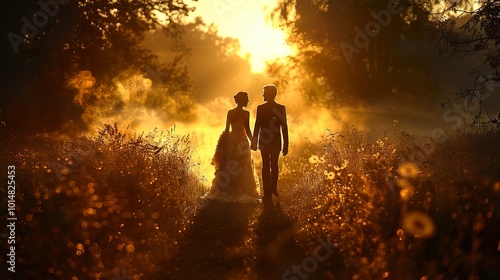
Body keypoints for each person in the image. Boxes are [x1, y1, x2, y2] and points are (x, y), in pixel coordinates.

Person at [205, 91, 259, 203]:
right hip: (242, 142)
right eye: (246, 99)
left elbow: (226, 129)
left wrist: (223, 143)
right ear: (242, 100)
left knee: (230, 163)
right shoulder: (246, 113)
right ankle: (241, 189)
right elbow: (247, 129)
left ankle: (228, 187)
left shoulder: (230, 112)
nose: (248, 101)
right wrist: (253, 141)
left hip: (231, 140)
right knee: (241, 164)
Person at [251, 84, 289, 205]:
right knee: (273, 165)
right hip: (274, 141)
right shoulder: (280, 108)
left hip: (266, 141)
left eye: (265, 93)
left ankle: (269, 191)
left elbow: (258, 126)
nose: (263, 95)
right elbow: (284, 127)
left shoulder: (262, 108)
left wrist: (255, 142)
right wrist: (285, 144)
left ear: (270, 94)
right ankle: (271, 190)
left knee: (266, 166)